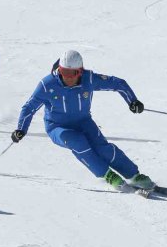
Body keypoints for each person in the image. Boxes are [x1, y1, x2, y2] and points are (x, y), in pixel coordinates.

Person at [11, 50, 155, 191]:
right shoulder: (47, 85)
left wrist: (133, 101)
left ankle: (134, 175)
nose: (66, 77)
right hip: (57, 127)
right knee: (78, 142)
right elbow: (29, 107)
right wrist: (21, 129)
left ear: (79, 72)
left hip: (84, 122)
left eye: (70, 73)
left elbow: (118, 83)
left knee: (103, 149)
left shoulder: (89, 79)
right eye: (63, 72)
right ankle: (108, 175)